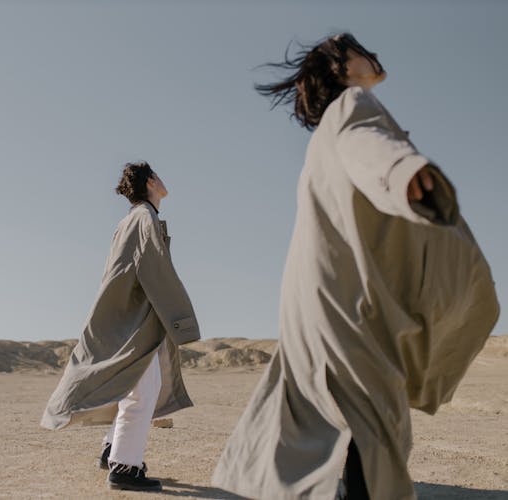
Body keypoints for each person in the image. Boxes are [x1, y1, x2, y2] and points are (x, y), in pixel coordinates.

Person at [212, 33, 499, 499]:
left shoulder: (326, 135)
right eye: (359, 50)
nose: (373, 55)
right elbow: (369, 147)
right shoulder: (351, 108)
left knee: (350, 429)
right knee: (377, 432)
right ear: (342, 69)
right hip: (349, 312)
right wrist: (403, 170)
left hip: (326, 305)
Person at [41, 161, 201, 492]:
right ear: (150, 183)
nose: (163, 179)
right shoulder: (144, 218)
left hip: (130, 320)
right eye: (158, 175)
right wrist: (182, 322)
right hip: (134, 323)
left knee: (137, 386)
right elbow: (155, 273)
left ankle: (112, 449)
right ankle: (124, 468)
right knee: (143, 392)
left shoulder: (134, 219)